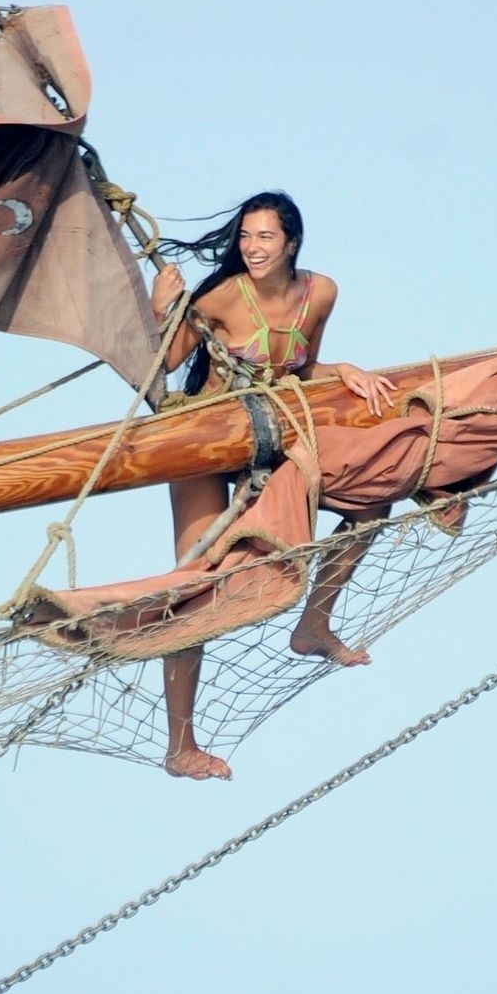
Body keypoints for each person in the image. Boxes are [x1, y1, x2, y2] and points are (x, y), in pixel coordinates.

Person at [147, 192, 397, 780]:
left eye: (265, 237)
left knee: (373, 502)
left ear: (291, 242)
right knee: (194, 585)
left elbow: (300, 369)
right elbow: (164, 364)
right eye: (245, 237)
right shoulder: (222, 297)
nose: (252, 248)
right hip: (204, 443)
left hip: (268, 437)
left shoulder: (321, 293)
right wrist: (163, 310)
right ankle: (180, 747)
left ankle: (314, 624)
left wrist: (345, 370)